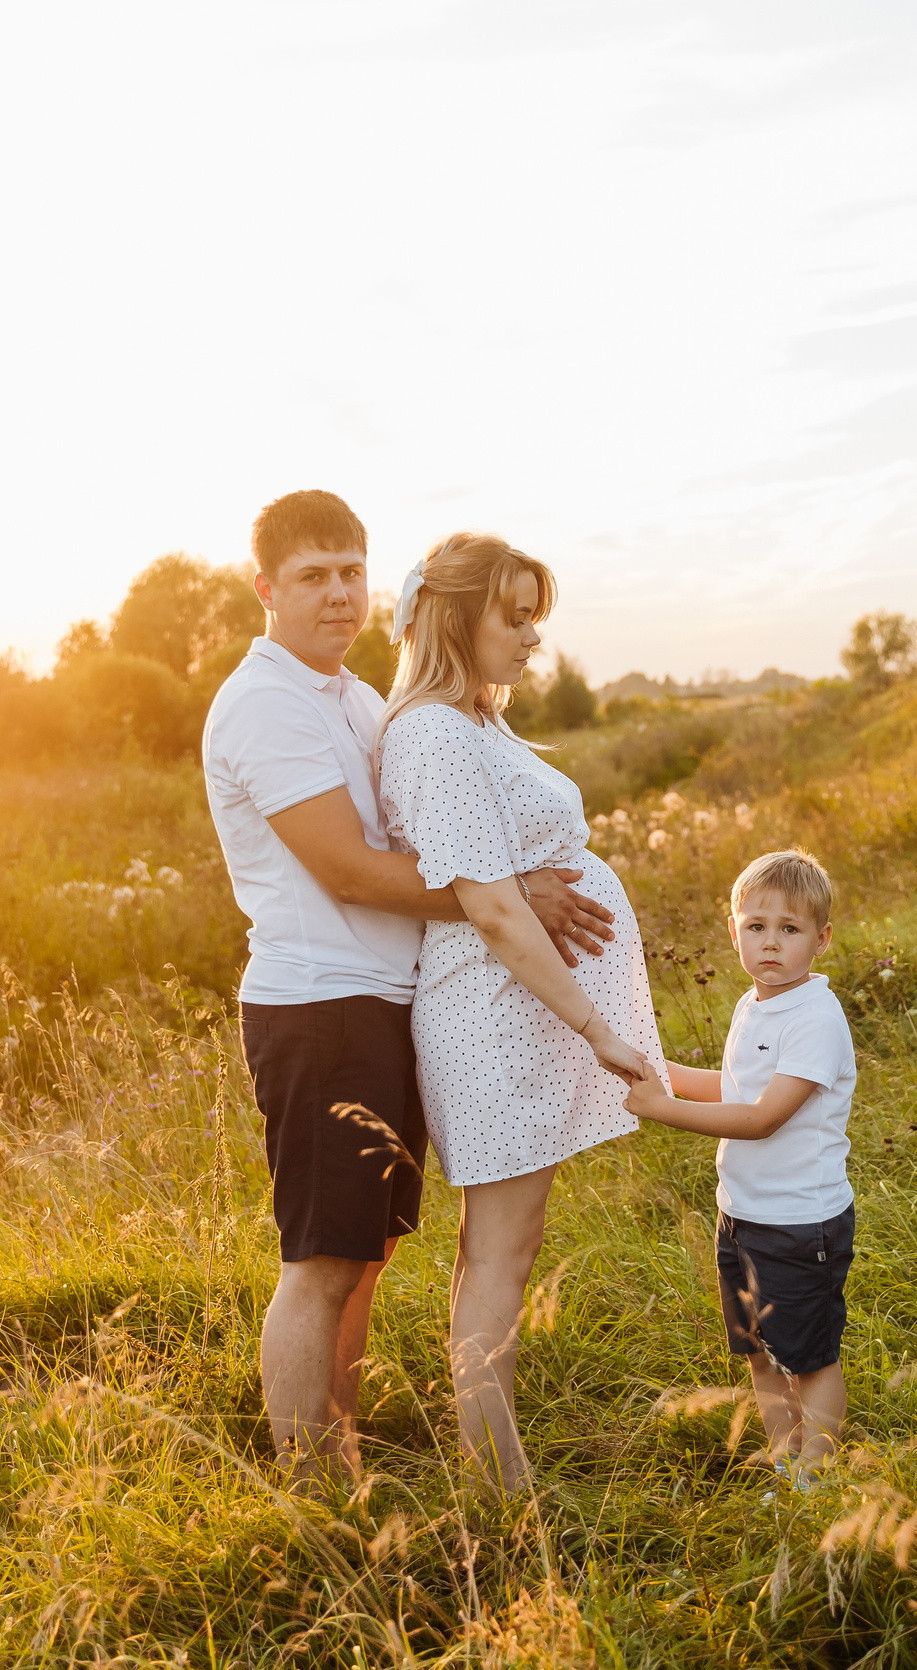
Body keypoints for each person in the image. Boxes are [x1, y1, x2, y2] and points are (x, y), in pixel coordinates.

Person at [200, 490, 617, 1486]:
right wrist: (507, 898)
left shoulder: (348, 696)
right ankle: (311, 1494)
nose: (338, 594)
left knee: (366, 1254)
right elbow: (346, 869)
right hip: (319, 1007)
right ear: (265, 589)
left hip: (381, 1005)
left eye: (351, 570)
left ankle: (340, 1453)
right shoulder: (263, 704)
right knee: (320, 1262)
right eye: (312, 577)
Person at [374, 532, 663, 1491]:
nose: (533, 637)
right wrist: (594, 1025)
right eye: (515, 616)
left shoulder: (474, 723)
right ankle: (500, 1481)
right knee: (500, 1249)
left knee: (504, 1243)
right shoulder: (432, 733)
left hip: (515, 1017)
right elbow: (492, 905)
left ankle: (492, 1459)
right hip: (492, 1022)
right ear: (456, 617)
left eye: (537, 616)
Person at [623, 849, 857, 1482]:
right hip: (744, 1216)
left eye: (790, 929)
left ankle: (819, 1475)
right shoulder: (754, 1007)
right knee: (759, 1353)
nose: (771, 944)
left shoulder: (816, 1018)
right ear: (733, 931)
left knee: (809, 1359)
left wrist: (661, 1110)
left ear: (821, 939)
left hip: (800, 1223)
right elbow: (735, 1089)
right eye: (756, 927)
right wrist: (659, 1075)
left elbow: (761, 1118)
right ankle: (786, 1464)